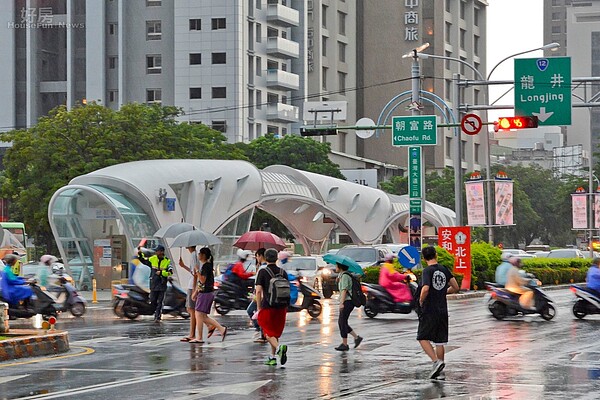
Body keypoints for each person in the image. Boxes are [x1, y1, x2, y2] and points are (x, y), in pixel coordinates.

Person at [417, 246, 459, 380]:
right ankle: (440, 372)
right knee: (440, 341)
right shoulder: (444, 269)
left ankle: (436, 362)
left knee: (422, 337)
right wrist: (443, 292)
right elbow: (456, 287)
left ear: (424, 258)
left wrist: (421, 301)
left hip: (430, 309)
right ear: (436, 255)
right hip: (442, 309)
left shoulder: (427, 271)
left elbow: (425, 289)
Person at [255, 248, 288, 366]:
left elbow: (258, 291)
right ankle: (272, 357)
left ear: (265, 257)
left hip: (268, 306)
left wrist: (259, 307)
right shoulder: (283, 272)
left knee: (267, 333)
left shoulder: (263, 272)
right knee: (274, 333)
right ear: (277, 258)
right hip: (281, 307)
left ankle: (279, 348)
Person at [190, 247, 227, 343]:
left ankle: (200, 337)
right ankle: (219, 329)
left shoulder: (206, 266)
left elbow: (202, 280)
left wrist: (197, 271)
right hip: (206, 293)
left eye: (199, 254)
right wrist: (196, 292)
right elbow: (201, 283)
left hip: (205, 293)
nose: (198, 255)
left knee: (198, 314)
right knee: (203, 316)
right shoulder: (207, 266)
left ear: (203, 255)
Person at [139, 245, 173, 322]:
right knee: (153, 301)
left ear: (161, 252)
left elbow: (170, 272)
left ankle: (157, 316)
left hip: (162, 285)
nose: (156, 252)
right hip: (154, 284)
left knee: (160, 302)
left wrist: (161, 273)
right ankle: (154, 313)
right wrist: (140, 253)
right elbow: (143, 260)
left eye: (157, 251)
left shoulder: (167, 261)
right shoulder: (152, 259)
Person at [335, 262, 363, 351]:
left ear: (340, 267)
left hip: (347, 302)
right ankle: (356, 338)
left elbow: (344, 290)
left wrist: (341, 303)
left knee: (342, 322)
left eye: (336, 266)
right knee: (343, 322)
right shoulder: (343, 275)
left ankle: (345, 344)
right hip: (347, 302)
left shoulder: (345, 276)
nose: (335, 267)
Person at [179, 246, 200, 342]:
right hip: (191, 285)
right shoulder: (193, 255)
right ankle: (209, 325)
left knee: (192, 310)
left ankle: (192, 334)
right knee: (190, 309)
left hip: (192, 286)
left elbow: (195, 274)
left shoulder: (194, 255)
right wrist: (183, 266)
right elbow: (193, 272)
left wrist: (194, 289)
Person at [247, 248, 267, 343]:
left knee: (252, 311)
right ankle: (262, 332)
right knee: (260, 314)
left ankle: (260, 330)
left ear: (261, 256)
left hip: (261, 295)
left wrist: (257, 295)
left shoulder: (262, 268)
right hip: (263, 294)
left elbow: (259, 285)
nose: (256, 258)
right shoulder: (264, 267)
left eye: (257, 256)